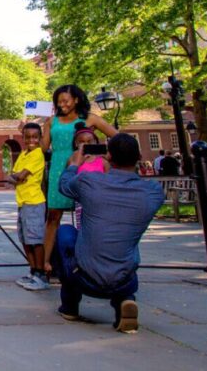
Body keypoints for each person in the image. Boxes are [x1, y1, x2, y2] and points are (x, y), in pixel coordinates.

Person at [53, 133, 165, 333]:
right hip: (125, 279)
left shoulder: (89, 181)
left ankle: (70, 305)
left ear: (108, 156)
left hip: (84, 277)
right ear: (139, 157)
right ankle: (125, 301)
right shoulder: (153, 192)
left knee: (65, 232)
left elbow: (63, 186)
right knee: (123, 240)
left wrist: (73, 164)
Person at [40, 85, 117, 274]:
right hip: (59, 169)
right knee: (52, 217)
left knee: (88, 217)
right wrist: (24, 129)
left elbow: (117, 137)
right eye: (58, 101)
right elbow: (42, 148)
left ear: (76, 100)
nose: (62, 104)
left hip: (85, 170)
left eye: (66, 100)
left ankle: (90, 262)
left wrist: (105, 156)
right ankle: (45, 265)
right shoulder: (51, 121)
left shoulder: (90, 118)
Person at [8, 122, 48, 291]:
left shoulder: (37, 154)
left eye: (35, 137)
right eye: (27, 137)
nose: (31, 140)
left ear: (40, 139)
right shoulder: (24, 154)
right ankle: (32, 271)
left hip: (34, 202)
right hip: (23, 202)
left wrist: (17, 177)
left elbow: (19, 176)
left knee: (36, 240)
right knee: (25, 239)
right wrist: (16, 177)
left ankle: (41, 274)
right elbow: (13, 175)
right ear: (23, 138)